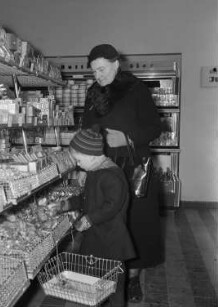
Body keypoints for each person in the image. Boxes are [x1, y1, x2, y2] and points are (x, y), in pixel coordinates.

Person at [82, 43, 164, 303]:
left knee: (136, 225)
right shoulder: (92, 93)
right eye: (94, 71)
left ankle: (133, 279)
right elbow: (86, 131)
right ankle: (109, 278)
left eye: (102, 69)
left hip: (133, 168)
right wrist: (82, 167)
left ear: (116, 63)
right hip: (102, 168)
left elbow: (154, 127)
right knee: (107, 225)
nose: (98, 76)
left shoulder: (136, 90)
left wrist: (127, 138)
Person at [49, 125, 136, 307]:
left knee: (114, 281)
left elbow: (112, 206)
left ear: (92, 156)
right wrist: (66, 204)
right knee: (94, 276)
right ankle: (94, 299)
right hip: (98, 238)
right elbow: (86, 198)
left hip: (112, 239)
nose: (77, 165)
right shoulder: (95, 171)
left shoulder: (112, 176)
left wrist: (89, 219)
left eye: (79, 161)